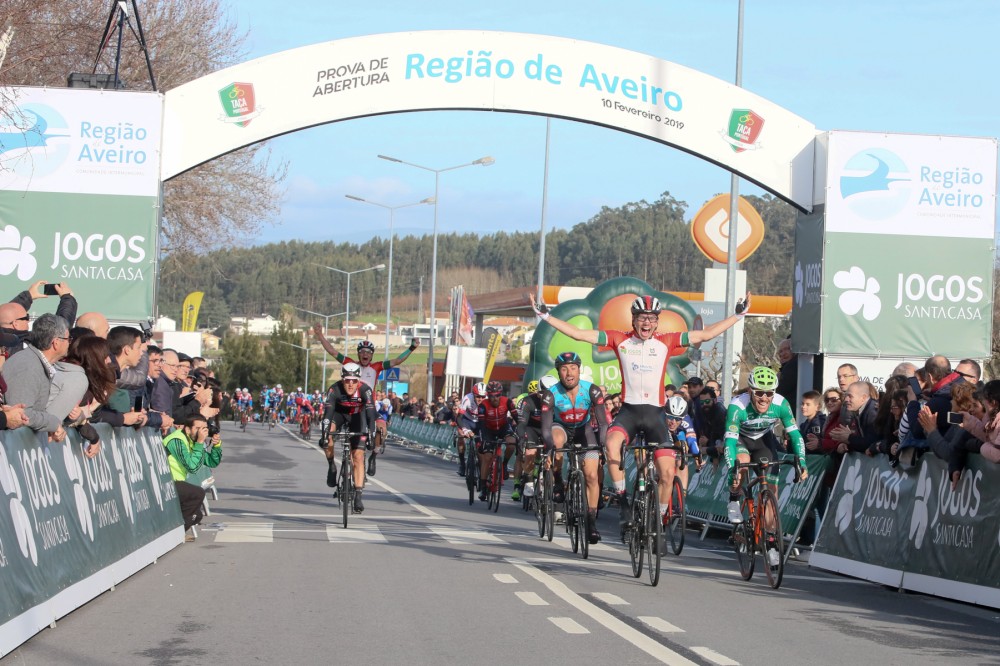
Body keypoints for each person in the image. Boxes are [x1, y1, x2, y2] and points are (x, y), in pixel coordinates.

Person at [531, 291, 751, 533]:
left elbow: (706, 334)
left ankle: (660, 519)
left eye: (652, 318)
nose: (646, 323)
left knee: (668, 473)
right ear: (633, 319)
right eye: (642, 318)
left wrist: (738, 315)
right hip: (629, 412)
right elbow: (579, 334)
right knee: (611, 444)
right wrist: (545, 315)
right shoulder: (619, 339)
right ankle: (623, 499)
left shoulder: (666, 341)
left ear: (657, 321)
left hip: (656, 415)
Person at [723, 366, 807, 566]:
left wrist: (801, 461)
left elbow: (795, 435)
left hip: (763, 441)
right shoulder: (738, 407)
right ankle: (734, 498)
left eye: (769, 393)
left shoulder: (781, 404)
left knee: (771, 493)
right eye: (759, 392)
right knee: (741, 464)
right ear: (750, 391)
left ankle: (770, 543)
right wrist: (732, 470)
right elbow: (730, 443)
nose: (764, 398)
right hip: (741, 440)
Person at [540, 352, 608, 544]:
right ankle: (559, 481)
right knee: (556, 440)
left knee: (592, 475)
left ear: (579, 370)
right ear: (559, 372)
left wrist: (602, 445)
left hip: (584, 430)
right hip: (560, 428)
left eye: (573, 368)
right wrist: (550, 448)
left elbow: (603, 424)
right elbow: (545, 428)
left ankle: (591, 522)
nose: (569, 373)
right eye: (564, 369)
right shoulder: (550, 394)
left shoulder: (592, 390)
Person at [1, 313, 71, 442]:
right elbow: (22, 413)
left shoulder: (35, 362)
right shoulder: (28, 366)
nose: (70, 343)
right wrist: (53, 423)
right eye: (68, 339)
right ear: (56, 343)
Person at [322, 363, 377, 513]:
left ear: (359, 380)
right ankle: (331, 466)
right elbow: (327, 415)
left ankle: (358, 495)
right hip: (339, 415)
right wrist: (324, 436)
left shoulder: (365, 390)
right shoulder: (334, 389)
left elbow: (371, 416)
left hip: (357, 417)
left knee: (358, 456)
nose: (350, 384)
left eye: (354, 380)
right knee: (329, 434)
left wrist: (371, 436)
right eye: (347, 380)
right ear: (342, 379)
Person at [164, 413, 222, 537]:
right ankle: (175, 534)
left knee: (197, 516)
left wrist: (216, 446)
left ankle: (177, 527)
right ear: (188, 429)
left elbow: (212, 462)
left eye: (204, 428)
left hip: (179, 482)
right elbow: (192, 467)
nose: (201, 432)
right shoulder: (176, 440)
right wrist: (200, 443)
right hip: (167, 481)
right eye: (198, 428)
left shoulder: (192, 440)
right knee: (197, 493)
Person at [474, 380, 518, 502]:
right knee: (487, 457)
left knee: (511, 443)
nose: (495, 398)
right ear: (488, 395)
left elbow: (516, 418)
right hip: (488, 429)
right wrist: (483, 439)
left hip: (503, 427)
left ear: (501, 394)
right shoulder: (483, 405)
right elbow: (481, 425)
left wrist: (522, 430)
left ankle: (504, 464)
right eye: (492, 396)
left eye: (497, 395)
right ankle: (483, 487)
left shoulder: (507, 402)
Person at [513, 378, 548, 502]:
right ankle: (528, 481)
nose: (546, 396)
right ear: (538, 393)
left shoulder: (556, 401)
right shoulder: (528, 401)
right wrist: (522, 437)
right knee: (529, 453)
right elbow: (522, 424)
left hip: (546, 428)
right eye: (542, 393)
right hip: (530, 428)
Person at [455, 382, 487, 477]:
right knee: (461, 437)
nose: (480, 399)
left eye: (483, 397)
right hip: (467, 421)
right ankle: (462, 464)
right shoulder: (467, 399)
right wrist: (465, 430)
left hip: (480, 422)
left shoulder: (488, 400)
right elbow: (459, 418)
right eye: (478, 397)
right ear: (473, 395)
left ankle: (481, 467)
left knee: (481, 445)